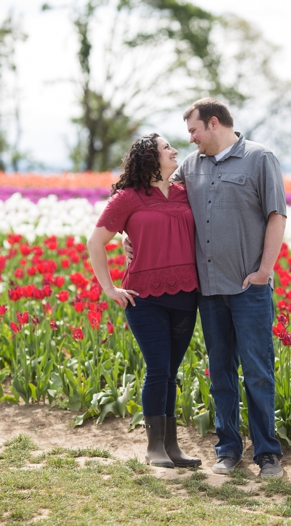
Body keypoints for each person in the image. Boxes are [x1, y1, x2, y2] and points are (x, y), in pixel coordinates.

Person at [178, 98, 290, 476]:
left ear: (213, 123)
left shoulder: (260, 158)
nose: (191, 139)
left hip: (249, 288)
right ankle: (228, 449)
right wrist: (129, 236)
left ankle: (267, 453)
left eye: (194, 131)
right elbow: (161, 207)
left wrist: (264, 271)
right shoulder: (189, 167)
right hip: (208, 290)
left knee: (258, 370)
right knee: (220, 371)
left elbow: (277, 215)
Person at [86, 133, 203, 470]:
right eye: (167, 147)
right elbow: (95, 243)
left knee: (171, 372)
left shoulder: (186, 193)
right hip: (143, 297)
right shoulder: (127, 198)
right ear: (150, 157)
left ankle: (172, 446)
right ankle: (154, 448)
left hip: (185, 293)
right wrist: (109, 288)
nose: (174, 151)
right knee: (158, 368)